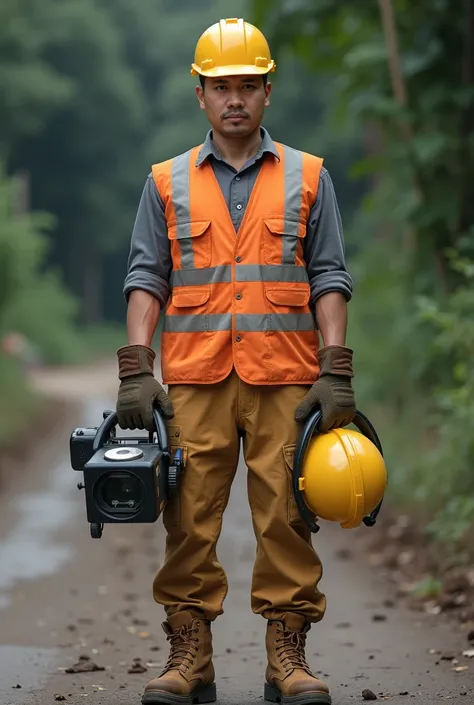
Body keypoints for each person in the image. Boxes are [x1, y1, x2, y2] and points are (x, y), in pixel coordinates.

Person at [116, 17, 356, 705]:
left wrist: (334, 369)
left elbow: (330, 277)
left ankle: (288, 658)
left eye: (248, 85)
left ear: (267, 91)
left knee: (286, 514)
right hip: (194, 379)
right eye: (221, 86)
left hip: (288, 379)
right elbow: (145, 277)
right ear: (199, 94)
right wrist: (138, 368)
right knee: (187, 516)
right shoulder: (166, 182)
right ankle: (189, 656)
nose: (235, 99)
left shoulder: (309, 176)